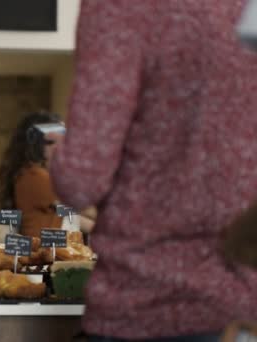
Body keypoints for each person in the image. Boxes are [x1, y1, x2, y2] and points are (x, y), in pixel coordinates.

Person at [49, 1, 257, 340]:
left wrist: (58, 156)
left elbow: (80, 179)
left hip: (144, 302)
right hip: (244, 311)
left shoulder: (121, 7)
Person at [0, 112, 95, 238]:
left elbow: (71, 216)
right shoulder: (34, 175)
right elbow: (84, 209)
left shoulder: (30, 173)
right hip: (45, 251)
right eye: (50, 142)